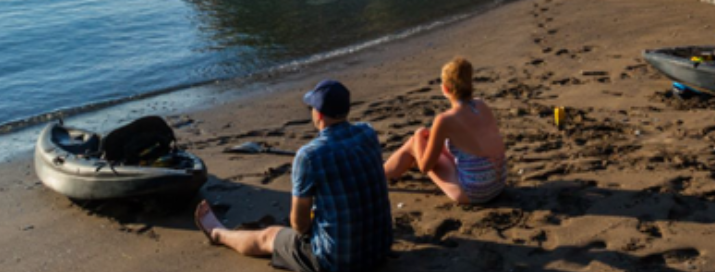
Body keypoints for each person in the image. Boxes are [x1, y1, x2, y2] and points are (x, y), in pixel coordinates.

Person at [195, 79, 393, 272]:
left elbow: (299, 224)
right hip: (380, 248)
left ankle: (218, 234)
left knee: (270, 236)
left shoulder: (309, 155)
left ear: (319, 114)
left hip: (339, 262)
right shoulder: (368, 132)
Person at [385, 57, 506, 204]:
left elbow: (425, 167)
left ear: (445, 88)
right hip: (498, 183)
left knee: (413, 143)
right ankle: (388, 172)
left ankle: (379, 176)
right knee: (431, 142)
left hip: (475, 191)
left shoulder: (445, 119)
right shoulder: (481, 105)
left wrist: (417, 136)